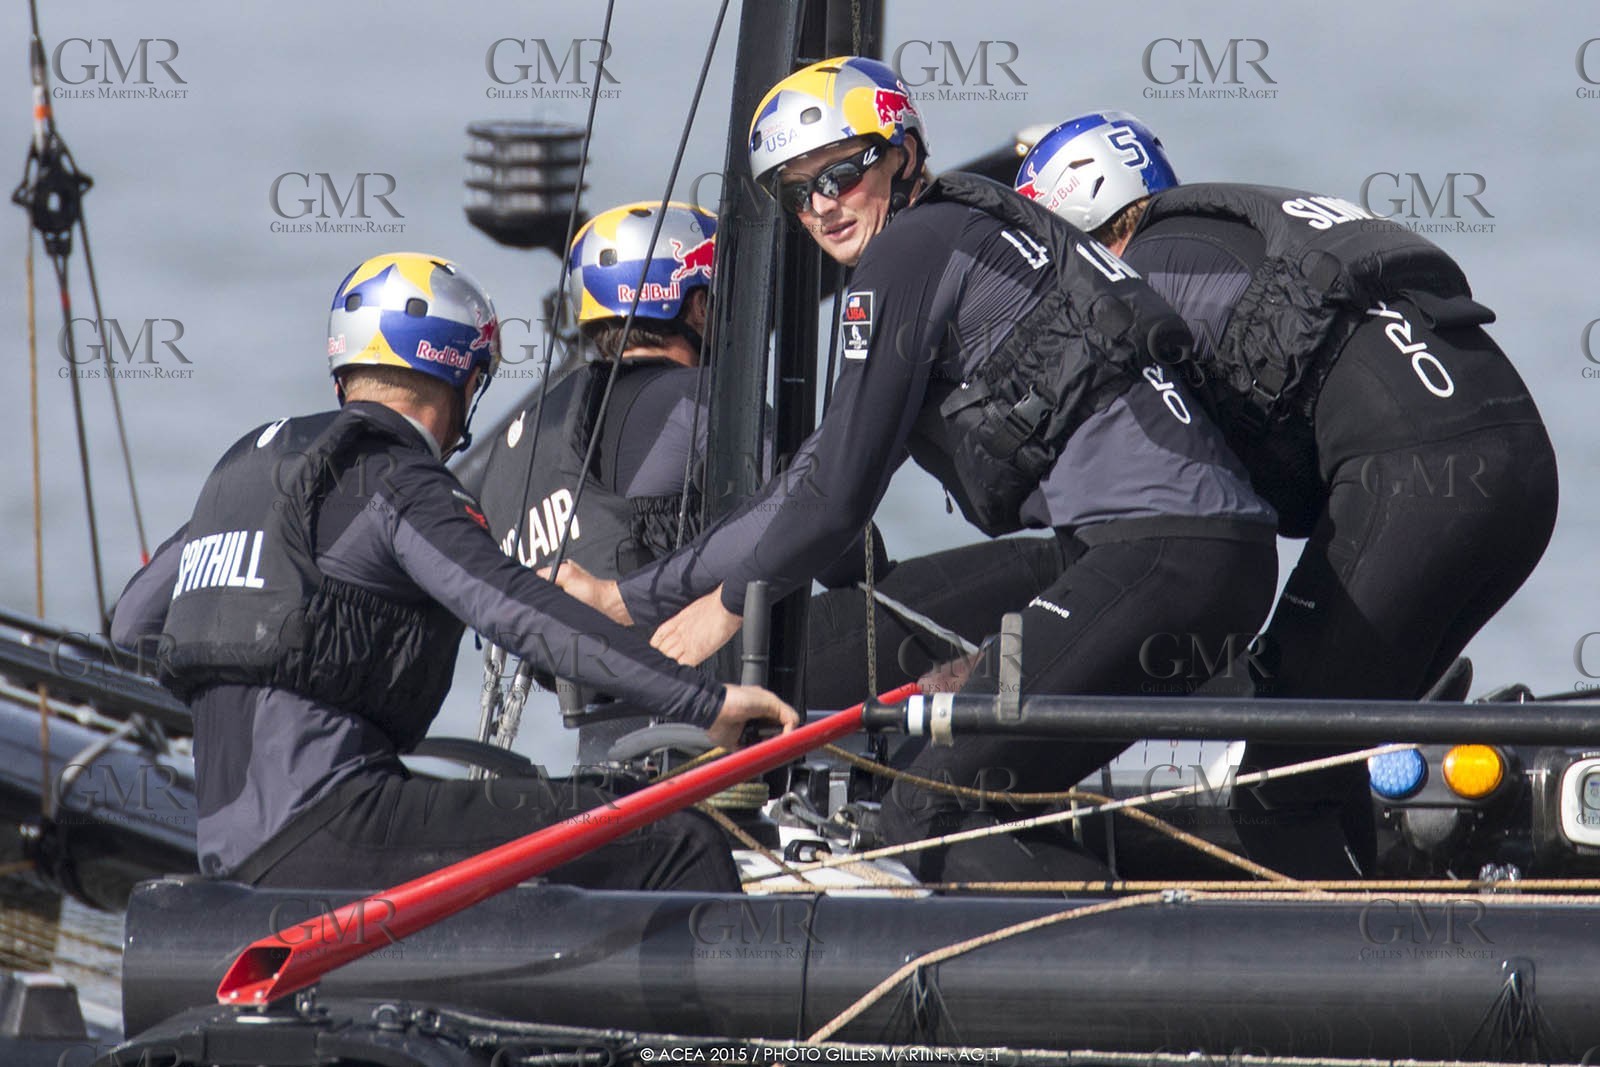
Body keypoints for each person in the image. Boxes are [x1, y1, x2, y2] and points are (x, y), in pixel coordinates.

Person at [550, 58, 1281, 883]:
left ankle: (1132, 951)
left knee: (926, 809)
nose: (822, 206)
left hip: (1159, 558)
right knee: (963, 782)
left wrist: (720, 603)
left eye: (840, 173)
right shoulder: (961, 230)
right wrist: (632, 597)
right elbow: (817, 475)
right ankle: (1196, 915)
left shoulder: (908, 252)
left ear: (900, 154)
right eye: (798, 191)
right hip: (1198, 559)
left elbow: (834, 498)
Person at [107, 251, 797, 891]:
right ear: (464, 380)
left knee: (583, 812)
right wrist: (704, 701)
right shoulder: (399, 480)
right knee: (676, 838)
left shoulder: (246, 467)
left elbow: (132, 624)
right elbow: (518, 613)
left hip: (225, 845)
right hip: (336, 820)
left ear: (344, 369)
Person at [1016, 112, 1559, 876]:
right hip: (1521, 469)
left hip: (1420, 488)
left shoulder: (1141, 279)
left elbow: (1173, 518)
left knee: (1278, 792)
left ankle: (1353, 951)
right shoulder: (1226, 233)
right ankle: (1379, 914)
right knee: (1326, 758)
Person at [477, 200, 1069, 723]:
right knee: (1054, 568)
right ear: (699, 308)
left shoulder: (527, 435)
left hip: (605, 715)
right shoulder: (703, 400)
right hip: (716, 675)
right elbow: (838, 543)